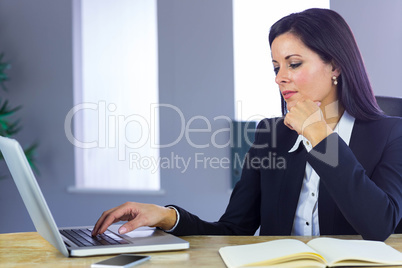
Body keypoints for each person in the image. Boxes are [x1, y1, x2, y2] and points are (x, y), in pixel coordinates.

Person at [92, 8, 402, 241]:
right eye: (276, 66)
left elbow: (379, 226)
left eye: (294, 64)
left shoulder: (392, 135)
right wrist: (168, 217)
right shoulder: (271, 136)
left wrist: (321, 138)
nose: (280, 77)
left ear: (335, 64)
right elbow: (233, 229)